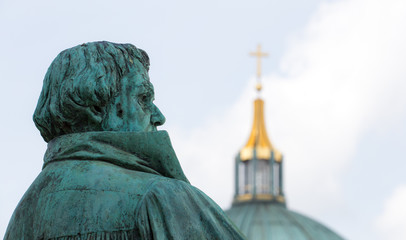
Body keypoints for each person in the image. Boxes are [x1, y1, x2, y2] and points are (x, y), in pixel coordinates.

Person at [5, 41, 245, 240]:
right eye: (143, 98)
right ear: (99, 109)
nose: (159, 117)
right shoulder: (162, 198)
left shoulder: (22, 216)